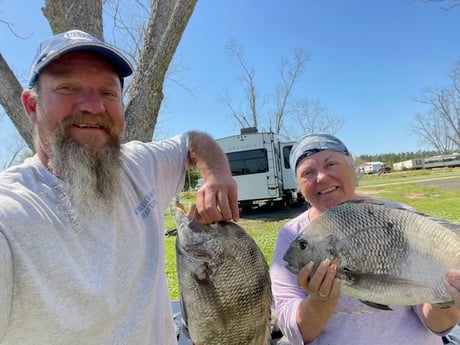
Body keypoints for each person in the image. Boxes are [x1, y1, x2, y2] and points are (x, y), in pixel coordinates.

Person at [0, 30, 239, 345]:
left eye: (109, 92)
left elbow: (194, 140)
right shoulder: (13, 211)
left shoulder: (139, 164)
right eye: (67, 87)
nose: (94, 106)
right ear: (31, 106)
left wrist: (217, 174)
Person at [270, 133, 460, 345]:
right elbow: (295, 334)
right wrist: (319, 301)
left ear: (352, 168)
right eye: (307, 172)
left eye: (331, 164)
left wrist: (449, 299)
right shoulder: (291, 234)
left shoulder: (399, 218)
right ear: (299, 186)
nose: (321, 177)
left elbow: (437, 324)